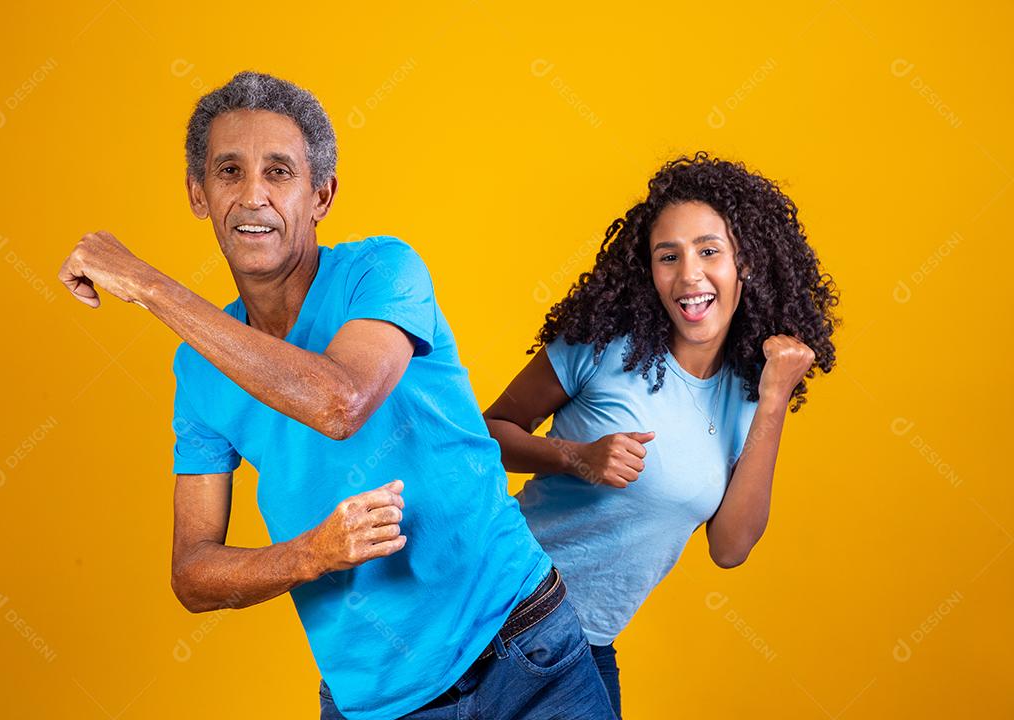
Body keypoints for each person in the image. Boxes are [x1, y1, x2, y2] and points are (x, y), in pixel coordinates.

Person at [57, 71, 616, 720]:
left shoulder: (383, 270)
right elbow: (192, 572)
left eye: (280, 172)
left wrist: (150, 287)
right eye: (229, 172)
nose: (253, 196)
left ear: (321, 195)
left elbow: (339, 404)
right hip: (375, 704)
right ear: (198, 194)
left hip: (524, 654)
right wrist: (311, 554)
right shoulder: (199, 368)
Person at [483, 153, 839, 717]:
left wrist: (774, 399)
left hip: (583, 641)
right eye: (667, 256)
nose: (689, 275)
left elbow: (730, 547)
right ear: (648, 271)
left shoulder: (752, 393)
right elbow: (490, 434)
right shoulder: (600, 346)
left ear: (746, 262)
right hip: (494, 603)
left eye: (709, 251)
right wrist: (574, 457)